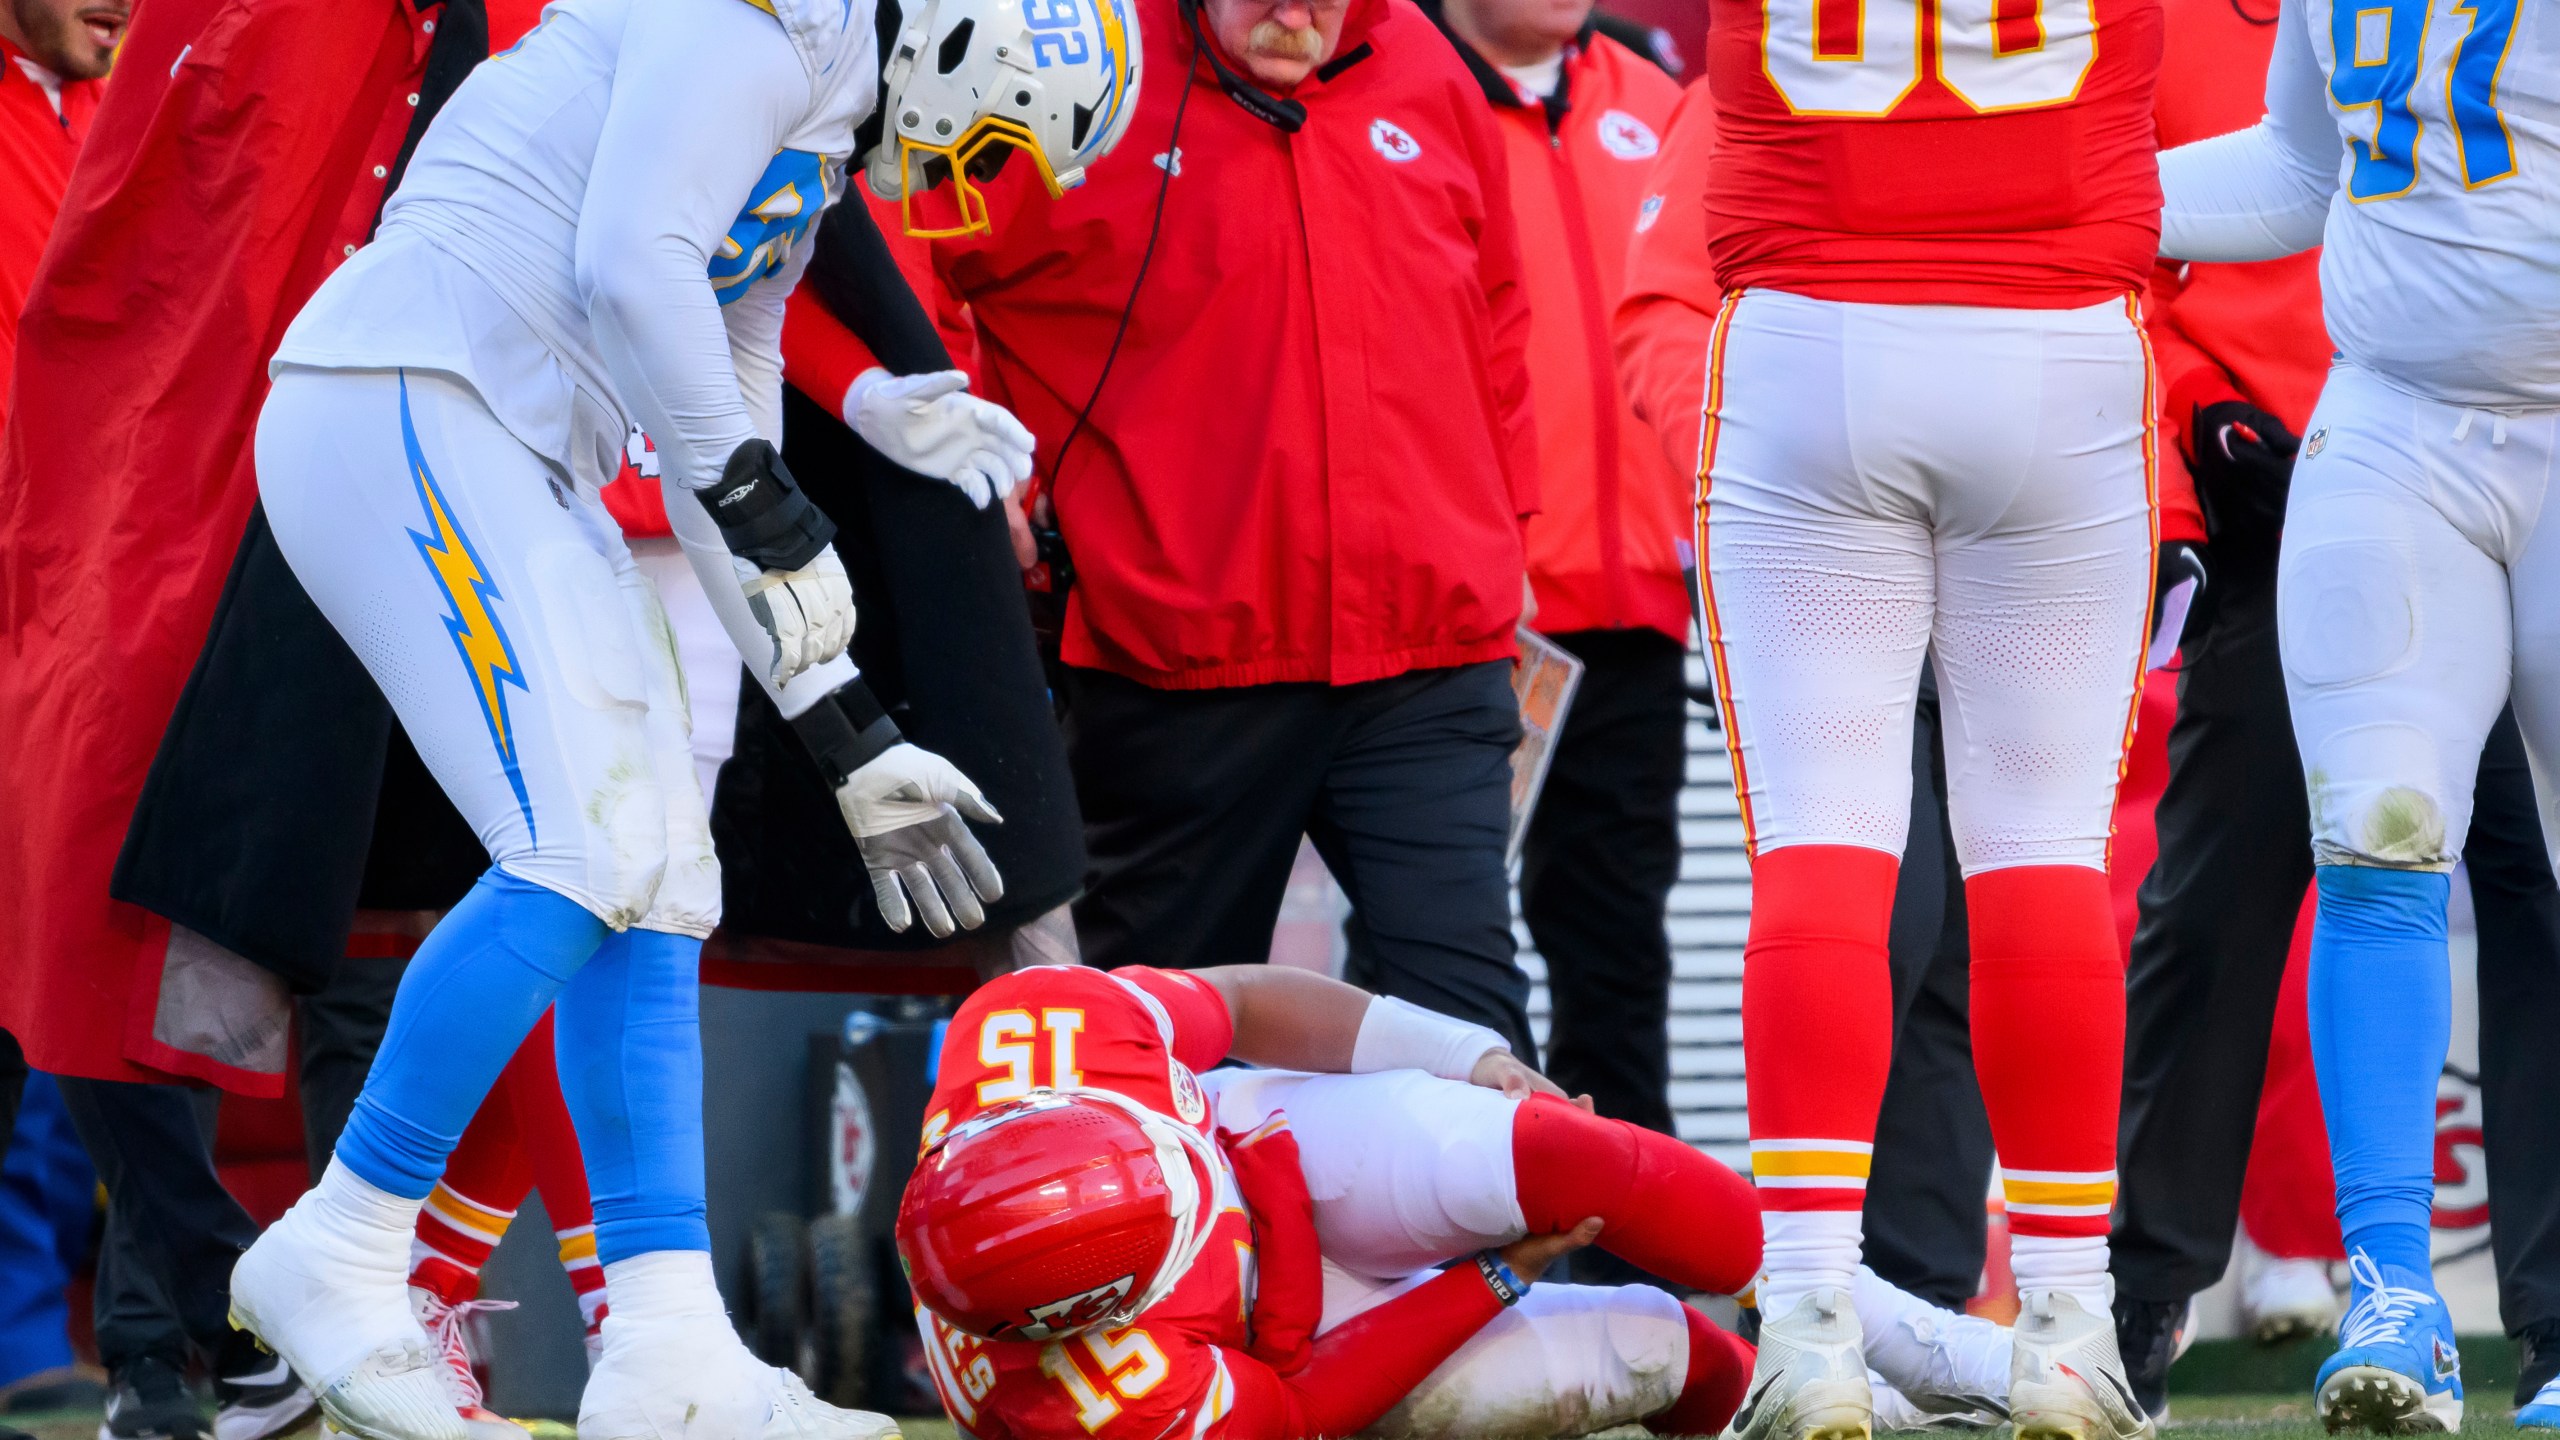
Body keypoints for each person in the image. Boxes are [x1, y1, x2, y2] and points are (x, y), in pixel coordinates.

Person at [222, 0, 1132, 1436]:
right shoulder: (779, 18)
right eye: (998, 125)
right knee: (579, 851)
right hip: (413, 383)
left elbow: (730, 452)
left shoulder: (819, 116)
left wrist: (849, 732)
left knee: (662, 881)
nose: (977, 165)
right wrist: (762, 495)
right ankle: (342, 1242)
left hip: (517, 437)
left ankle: (664, 1345)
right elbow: (633, 269)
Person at [1690, 0, 2166, 1429]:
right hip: (2064, 342)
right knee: (2041, 850)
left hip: (1811, 339)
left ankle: (1815, 1318)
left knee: (1825, 843)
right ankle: (2073, 1323)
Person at [924, 0, 1544, 1055]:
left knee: (1471, 1041)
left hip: (1426, 657)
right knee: (1150, 1045)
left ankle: (1468, 1222)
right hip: (1177, 658)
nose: (1293, 13)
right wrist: (972, 467)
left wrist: (1508, 526)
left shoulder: (1427, 70)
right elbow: (920, 261)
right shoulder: (1072, 63)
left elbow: (1495, 314)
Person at [2156, 1, 2560, 1430]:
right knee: (2377, 838)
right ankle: (2394, 1291)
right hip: (2393, 420)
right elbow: (2296, 170)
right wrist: (2069, 198)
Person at [899, 961, 1764, 1440]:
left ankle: (1842, 1301)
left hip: (1263, 1144)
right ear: (1092, 1313)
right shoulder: (1114, 1406)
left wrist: (1462, 1055)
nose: (1181, 1183)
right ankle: (1812, 1384)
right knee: (1663, 1349)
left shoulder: (1037, 1029)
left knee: (1551, 1153)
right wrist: (1496, 1278)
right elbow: (1307, 1408)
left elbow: (1240, 1003)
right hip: (1291, 1344)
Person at [1421, 0, 1686, 1141]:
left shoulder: (1655, 98)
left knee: (1616, 934)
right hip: (1467, 613)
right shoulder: (1400, 89)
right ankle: (1435, 1221)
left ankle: (1627, 1228)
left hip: (1633, 607)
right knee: (1433, 934)